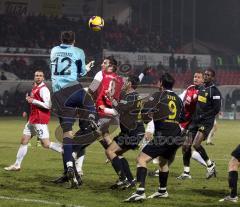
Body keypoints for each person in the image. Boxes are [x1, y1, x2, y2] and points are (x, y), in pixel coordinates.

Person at [125, 73, 184, 202]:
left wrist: (148, 122)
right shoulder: (178, 99)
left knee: (141, 159)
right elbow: (183, 117)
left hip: (164, 134)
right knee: (163, 162)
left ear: (161, 83)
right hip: (177, 135)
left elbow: (145, 110)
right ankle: (162, 191)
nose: (157, 84)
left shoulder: (158, 95)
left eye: (159, 82)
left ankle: (140, 191)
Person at [50, 31, 96, 188]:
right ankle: (92, 119)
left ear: (61, 39)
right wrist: (87, 67)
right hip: (73, 88)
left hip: (58, 94)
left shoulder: (54, 50)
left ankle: (70, 166)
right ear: (74, 41)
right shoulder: (78, 51)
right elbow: (81, 72)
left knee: (67, 134)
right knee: (88, 101)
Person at [4, 70, 63, 171]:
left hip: (39, 120)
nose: (38, 77)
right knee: (24, 140)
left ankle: (68, 151)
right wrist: (30, 100)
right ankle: (17, 165)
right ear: (34, 77)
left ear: (43, 78)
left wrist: (33, 101)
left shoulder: (44, 89)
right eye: (37, 76)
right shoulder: (35, 88)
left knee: (46, 144)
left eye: (40, 76)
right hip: (32, 119)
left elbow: (48, 105)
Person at [178, 69, 221, 180]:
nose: (206, 76)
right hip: (195, 121)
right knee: (186, 146)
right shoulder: (201, 88)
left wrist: (204, 116)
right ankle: (186, 173)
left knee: (196, 145)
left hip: (206, 122)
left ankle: (210, 165)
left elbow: (216, 109)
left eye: (208, 75)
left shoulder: (214, 91)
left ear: (212, 78)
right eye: (205, 74)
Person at [106, 75, 145, 189]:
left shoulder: (131, 96)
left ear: (130, 84)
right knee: (117, 153)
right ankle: (130, 180)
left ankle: (123, 179)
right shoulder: (131, 96)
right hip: (131, 132)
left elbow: (119, 109)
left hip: (132, 132)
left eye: (126, 81)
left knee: (110, 152)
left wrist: (110, 99)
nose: (124, 82)